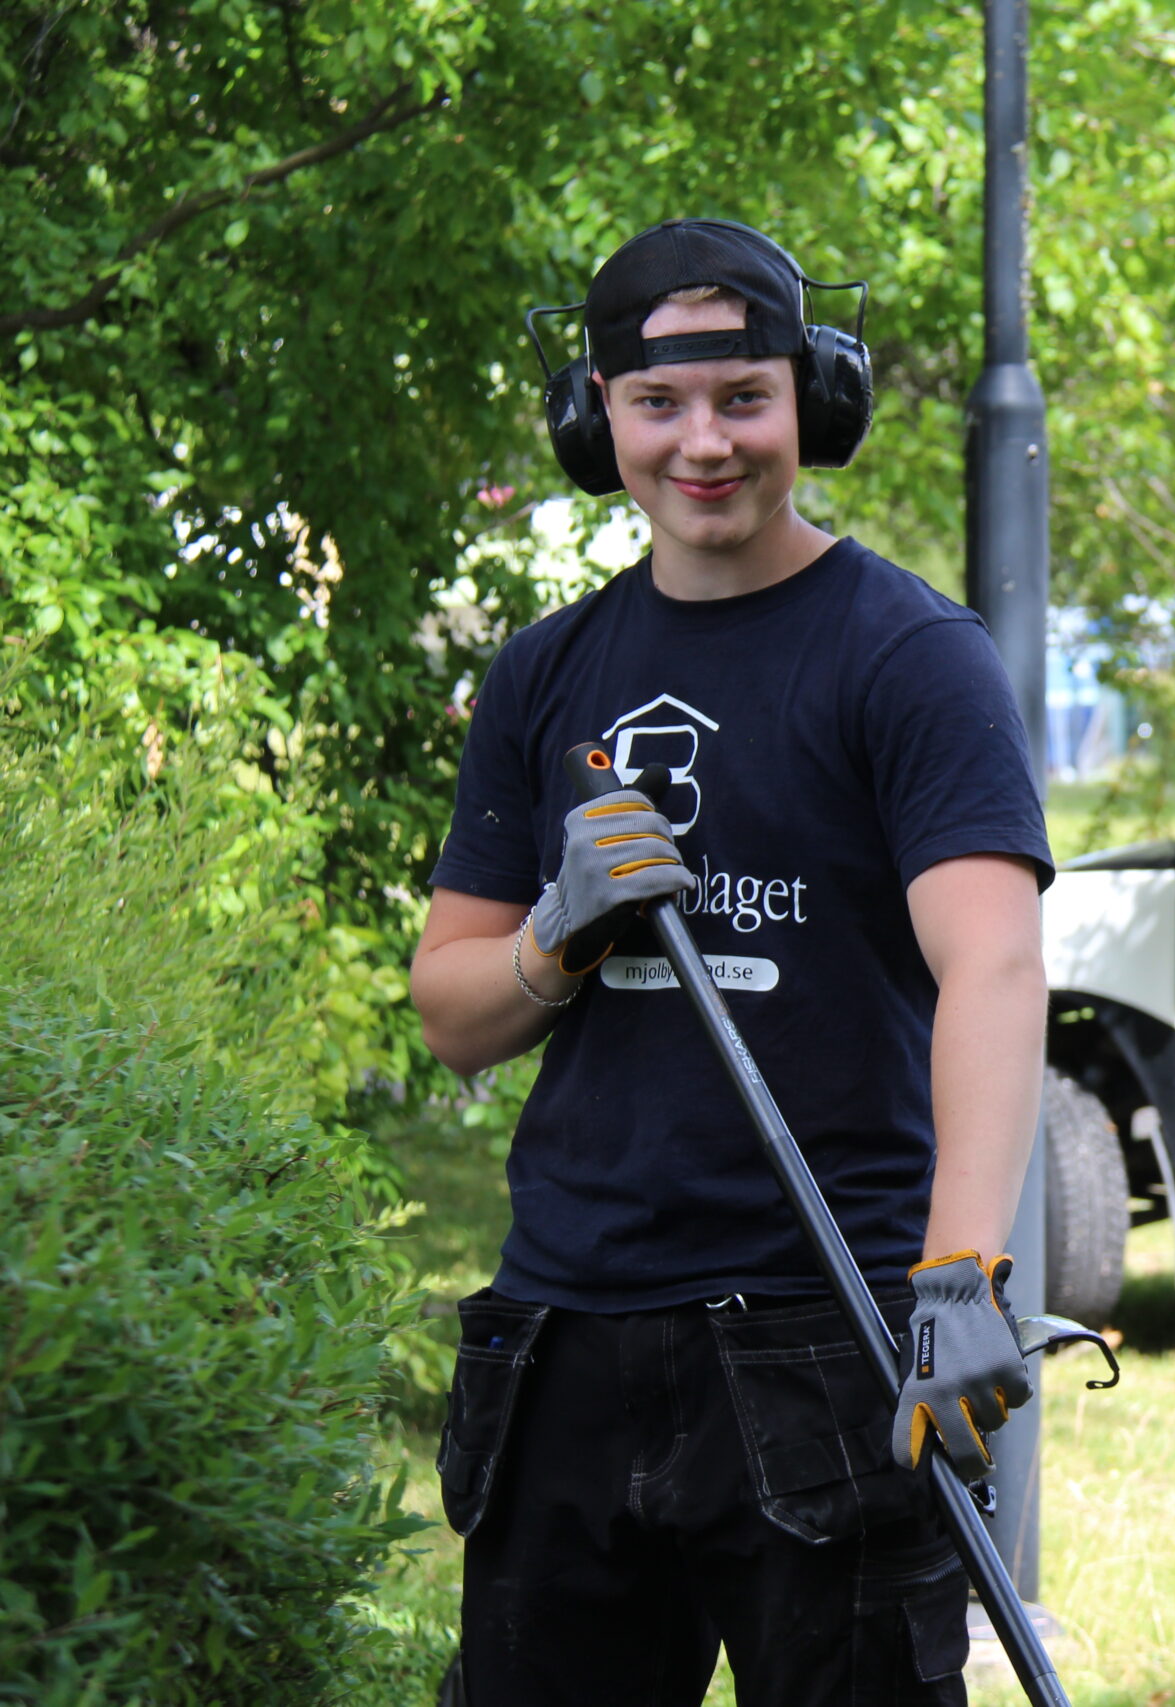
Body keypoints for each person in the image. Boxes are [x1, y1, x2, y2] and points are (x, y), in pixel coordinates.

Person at [408, 218, 1052, 1706]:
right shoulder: (547, 672)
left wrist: (962, 1272)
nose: (705, 443)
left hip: (825, 1343)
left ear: (812, 407)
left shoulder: (907, 658)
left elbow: (997, 970)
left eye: (744, 398)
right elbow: (450, 1011)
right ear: (597, 418)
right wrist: (557, 937)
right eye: (659, 405)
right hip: (565, 1337)